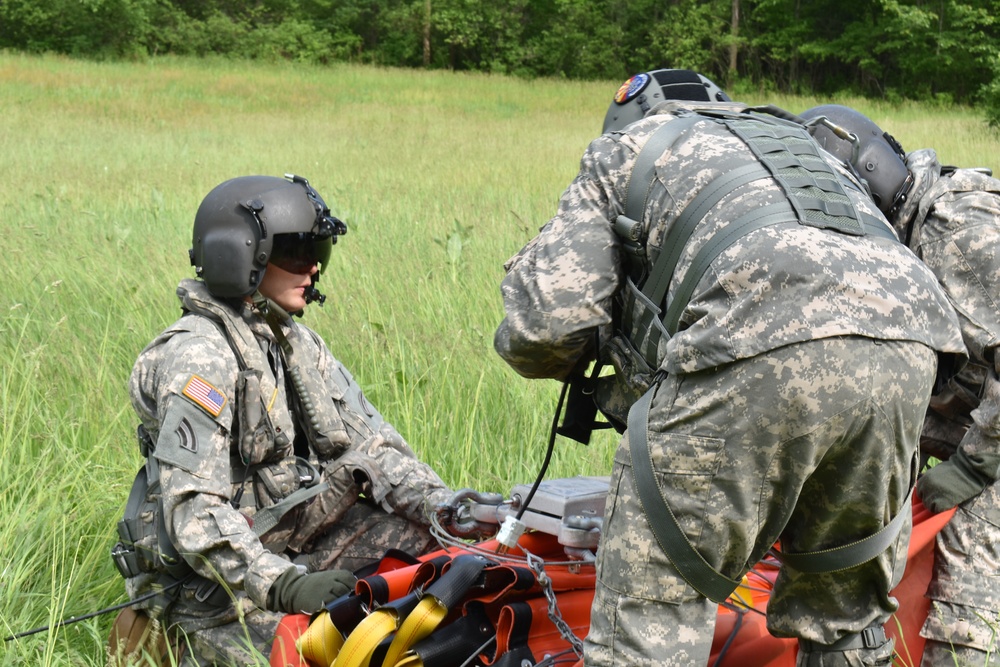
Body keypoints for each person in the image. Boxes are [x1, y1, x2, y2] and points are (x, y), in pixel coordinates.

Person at [493, 69, 967, 665]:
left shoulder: (625, 150)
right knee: (846, 624)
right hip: (912, 343)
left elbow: (545, 331)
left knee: (650, 625)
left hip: (759, 336)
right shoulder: (795, 142)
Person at [109, 174, 452, 666]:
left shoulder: (294, 344)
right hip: (212, 594)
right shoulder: (200, 356)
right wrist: (285, 585)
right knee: (318, 653)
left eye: (320, 251)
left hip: (288, 545)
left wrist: (451, 511)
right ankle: (174, 646)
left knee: (432, 554)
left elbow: (373, 447)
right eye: (295, 253)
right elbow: (192, 509)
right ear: (240, 257)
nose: (313, 267)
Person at [804, 104, 1000, 666]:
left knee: (968, 578)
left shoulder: (952, 231)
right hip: (977, 412)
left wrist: (972, 469)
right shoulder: (905, 241)